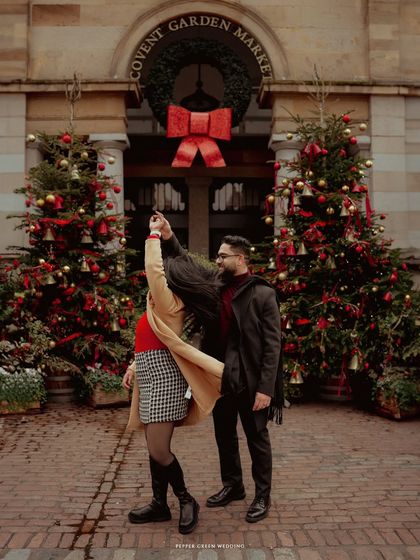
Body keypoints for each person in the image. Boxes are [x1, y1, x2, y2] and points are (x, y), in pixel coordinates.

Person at [157, 212, 283, 524]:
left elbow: (272, 346)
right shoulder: (215, 286)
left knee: (257, 437)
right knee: (224, 434)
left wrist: (266, 389)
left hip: (252, 381)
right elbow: (185, 263)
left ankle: (262, 495)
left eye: (222, 256)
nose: (217, 260)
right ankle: (234, 485)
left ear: (240, 259)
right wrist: (169, 236)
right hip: (221, 377)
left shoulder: (263, 293)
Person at [122, 214, 224, 534]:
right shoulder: (159, 303)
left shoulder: (170, 301)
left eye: (167, 272)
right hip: (151, 372)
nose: (162, 272)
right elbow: (157, 338)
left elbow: (154, 270)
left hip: (165, 378)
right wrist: (135, 365)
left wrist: (152, 236)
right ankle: (159, 504)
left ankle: (185, 499)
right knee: (154, 445)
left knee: (158, 448)